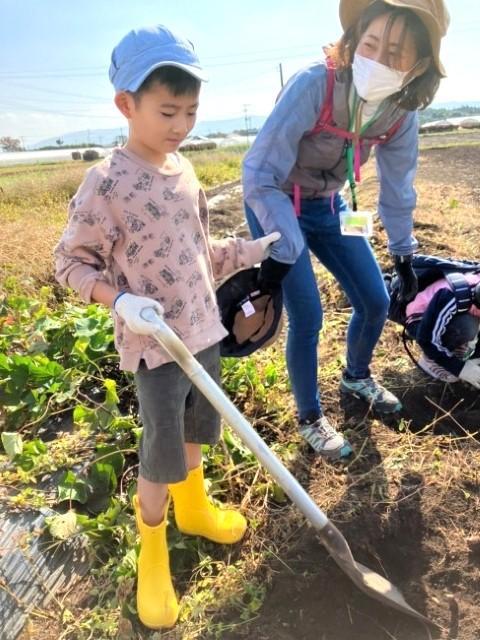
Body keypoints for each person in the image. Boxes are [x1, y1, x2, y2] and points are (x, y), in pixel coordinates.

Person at [54, 25, 280, 629]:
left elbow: (200, 253)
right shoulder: (106, 182)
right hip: (155, 348)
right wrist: (118, 300)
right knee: (159, 453)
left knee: (198, 431)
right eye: (167, 111)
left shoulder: (185, 172)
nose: (180, 125)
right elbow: (68, 263)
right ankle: (151, 553)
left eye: (190, 111)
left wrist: (252, 250)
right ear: (126, 105)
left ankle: (195, 509)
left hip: (204, 332)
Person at [243, 0, 450, 460]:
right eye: (371, 44)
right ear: (354, 41)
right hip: (276, 199)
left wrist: (403, 252)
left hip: (330, 204)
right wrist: (284, 247)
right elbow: (258, 172)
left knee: (376, 300)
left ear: (417, 66)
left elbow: (397, 189)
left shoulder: (399, 113)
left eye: (396, 54)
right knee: (309, 314)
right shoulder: (314, 85)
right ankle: (309, 416)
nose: (379, 60)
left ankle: (356, 376)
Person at [405, 272, 480, 386]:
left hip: (456, 313)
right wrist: (459, 368)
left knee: (469, 325)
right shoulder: (452, 295)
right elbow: (426, 339)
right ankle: (430, 361)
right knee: (467, 327)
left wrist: (475, 356)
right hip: (421, 318)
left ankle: (454, 353)